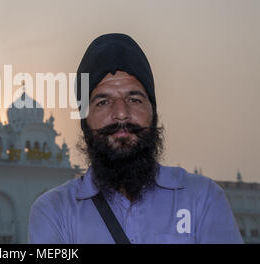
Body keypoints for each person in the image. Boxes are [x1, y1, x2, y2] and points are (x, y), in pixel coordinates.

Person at [28, 33, 243, 244]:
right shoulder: (55, 212)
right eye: (103, 102)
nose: (121, 113)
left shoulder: (201, 199)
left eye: (134, 99)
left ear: (154, 112)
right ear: (84, 122)